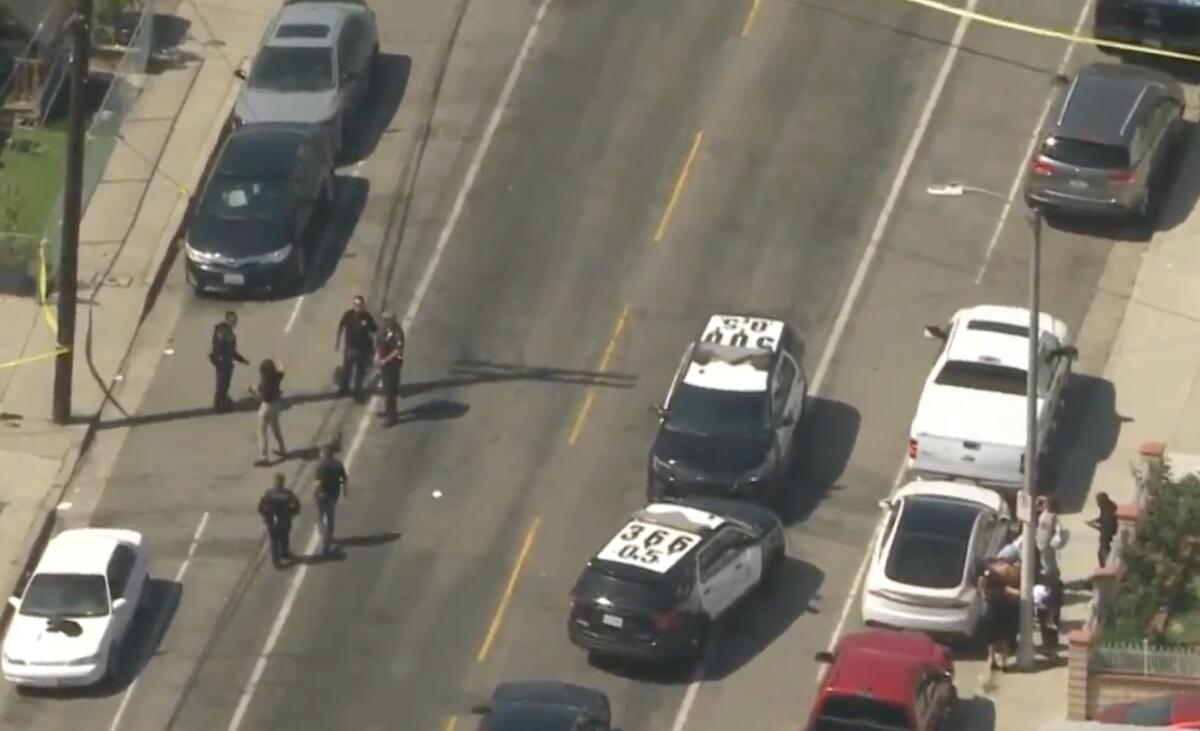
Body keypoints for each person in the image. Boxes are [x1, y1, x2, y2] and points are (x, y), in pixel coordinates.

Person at [978, 562, 1019, 672]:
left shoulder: (988, 573)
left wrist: (983, 596)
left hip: (991, 608)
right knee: (1003, 638)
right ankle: (1004, 663)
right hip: (1003, 607)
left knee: (992, 639)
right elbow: (1008, 590)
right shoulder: (1004, 573)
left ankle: (993, 661)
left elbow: (981, 582)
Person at [336, 295, 377, 399]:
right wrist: (337, 342)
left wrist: (374, 349)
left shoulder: (367, 317)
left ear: (363, 305)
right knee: (347, 370)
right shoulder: (348, 315)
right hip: (350, 349)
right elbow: (341, 327)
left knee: (360, 372)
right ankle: (344, 389)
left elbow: (374, 331)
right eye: (356, 305)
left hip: (362, 350)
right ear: (353, 305)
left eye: (360, 305)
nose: (358, 307)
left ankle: (357, 392)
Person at [258, 474, 301, 568]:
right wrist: (293, 513)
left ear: (274, 483)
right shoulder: (288, 494)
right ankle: (285, 553)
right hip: (285, 520)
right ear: (283, 482)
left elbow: (261, 506)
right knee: (284, 537)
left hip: (272, 521)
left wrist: (265, 516)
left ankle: (276, 561)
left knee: (274, 541)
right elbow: (297, 505)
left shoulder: (269, 494)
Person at [250, 359, 287, 466]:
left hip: (267, 407)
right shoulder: (277, 376)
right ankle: (282, 448)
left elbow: (262, 397)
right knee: (275, 427)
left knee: (261, 431)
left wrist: (250, 391)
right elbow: (282, 370)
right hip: (277, 405)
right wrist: (280, 362)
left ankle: (263, 455)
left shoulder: (264, 383)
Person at [210, 311, 249, 412]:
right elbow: (230, 351)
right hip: (225, 362)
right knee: (224, 383)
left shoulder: (218, 329)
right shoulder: (228, 333)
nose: (235, 322)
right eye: (234, 319)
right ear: (229, 319)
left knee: (220, 382)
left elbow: (216, 346)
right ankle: (221, 405)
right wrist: (242, 360)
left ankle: (220, 402)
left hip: (218, 361)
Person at [314, 444, 348, 555]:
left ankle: (325, 537)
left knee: (320, 517)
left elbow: (318, 484)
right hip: (334, 494)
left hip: (322, 495)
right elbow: (344, 478)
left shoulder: (320, 466)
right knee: (330, 517)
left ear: (324, 454)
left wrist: (314, 494)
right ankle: (329, 537)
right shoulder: (338, 464)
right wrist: (345, 491)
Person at [375, 312, 405, 424]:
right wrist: (377, 355)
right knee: (386, 389)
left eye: (387, 319)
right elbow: (378, 342)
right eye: (384, 319)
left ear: (393, 320)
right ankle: (388, 411)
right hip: (384, 363)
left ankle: (392, 417)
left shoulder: (397, 332)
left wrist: (386, 359)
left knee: (391, 390)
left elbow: (398, 351)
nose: (384, 321)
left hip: (394, 365)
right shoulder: (383, 329)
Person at [1087, 491, 1119, 567]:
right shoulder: (1105, 508)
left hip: (1108, 541)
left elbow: (1107, 529)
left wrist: (1093, 526)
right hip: (1104, 539)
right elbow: (1102, 518)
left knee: (1105, 558)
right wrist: (1093, 521)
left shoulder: (1110, 512)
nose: (1097, 504)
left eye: (1098, 502)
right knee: (1100, 555)